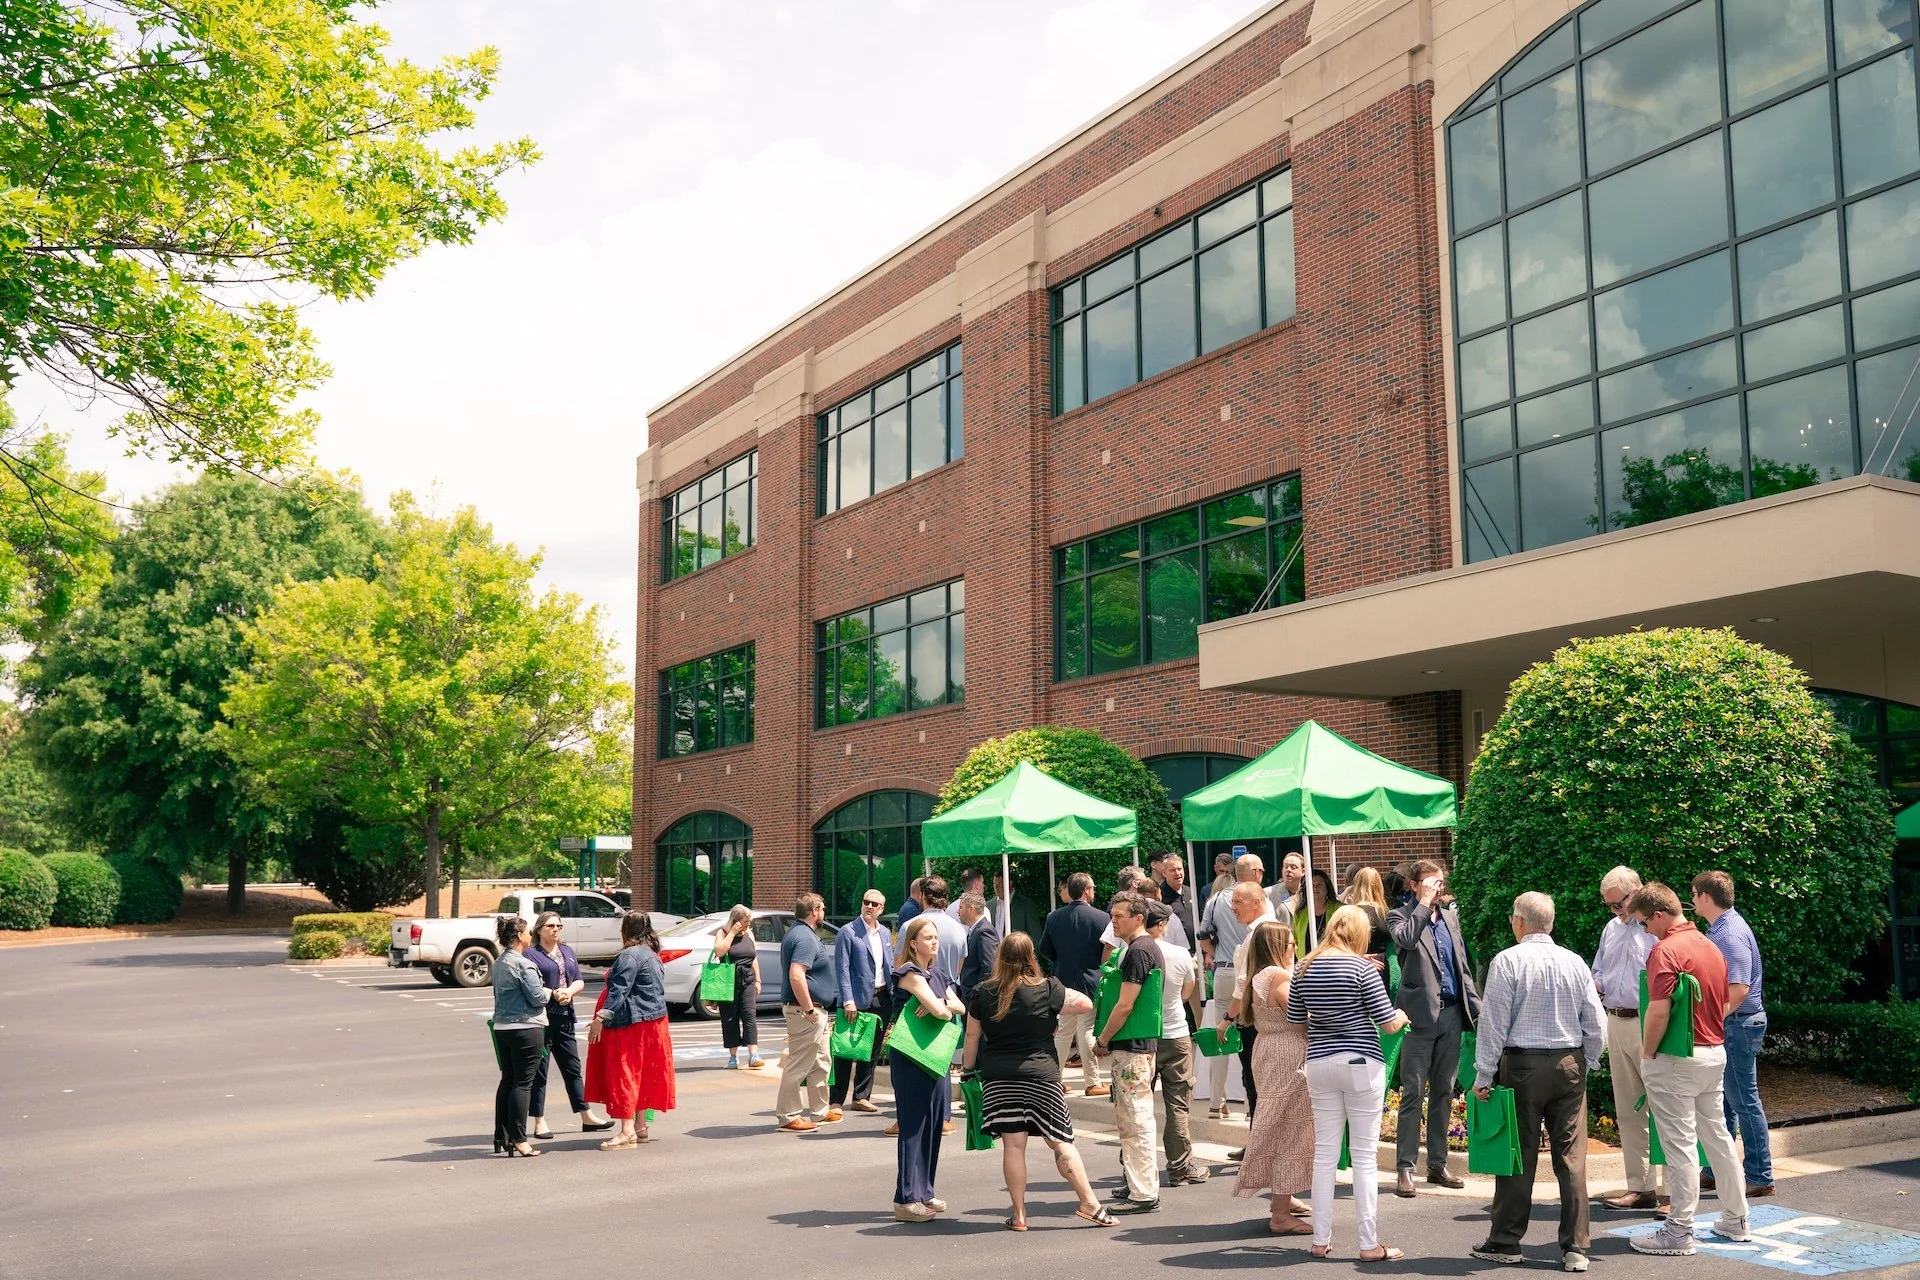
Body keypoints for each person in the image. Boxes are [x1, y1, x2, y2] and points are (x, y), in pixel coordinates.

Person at [1469, 892, 1606, 1272]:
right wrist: (1589, 1060)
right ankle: (1576, 1246)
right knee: (1571, 1159)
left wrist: (1483, 1074)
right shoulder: (1574, 961)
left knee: (1518, 1155)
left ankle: (1505, 1241)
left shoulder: (1507, 961)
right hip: (1569, 1062)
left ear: (1519, 922)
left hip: (1522, 1065)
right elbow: (1596, 1022)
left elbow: (1494, 1023)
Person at [961, 930, 1117, 1230]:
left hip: (999, 1077)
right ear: (1031, 956)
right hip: (1042, 1076)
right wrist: (1056, 1014)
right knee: (1061, 1141)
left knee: (1013, 1147)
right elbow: (1084, 1003)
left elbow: (971, 1035)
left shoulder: (982, 992)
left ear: (1000, 958)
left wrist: (969, 1069)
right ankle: (1089, 1203)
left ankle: (1019, 1215)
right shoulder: (1048, 988)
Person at [1627, 882, 1751, 1257]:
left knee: (1680, 1147)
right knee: (1718, 1139)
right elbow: (1727, 997)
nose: (1645, 929)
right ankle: (1736, 1219)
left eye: (1645, 922)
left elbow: (1659, 1011)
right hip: (1713, 1052)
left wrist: (1647, 1055)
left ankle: (1679, 1231)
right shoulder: (1710, 945)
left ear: (1660, 915)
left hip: (1676, 1058)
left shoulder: (1666, 951)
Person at [1287, 905, 1412, 1262]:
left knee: (1325, 1153)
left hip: (1320, 1063)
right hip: (1360, 1061)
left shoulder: (1304, 967)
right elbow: (1388, 1023)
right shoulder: (1361, 968)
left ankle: (1320, 1240)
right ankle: (1368, 1243)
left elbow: (1297, 1023)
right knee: (1364, 1157)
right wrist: (1402, 1015)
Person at [1387, 858, 1480, 1197]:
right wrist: (1423, 904)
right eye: (1430, 883)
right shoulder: (1399, 916)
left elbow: (1462, 967)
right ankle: (1405, 1168)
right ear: (1413, 885)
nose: (1438, 888)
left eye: (1440, 883)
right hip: (1418, 1017)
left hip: (1452, 1014)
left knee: (1444, 1091)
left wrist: (1477, 1009)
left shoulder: (1452, 919)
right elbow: (1407, 941)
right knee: (1413, 1093)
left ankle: (1437, 1164)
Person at [1692, 870, 1772, 1199]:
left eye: (1694, 895)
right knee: (1724, 1100)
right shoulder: (1723, 928)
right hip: (1737, 1022)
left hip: (1738, 1023)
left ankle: (1760, 1175)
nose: (1693, 901)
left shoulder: (1729, 934)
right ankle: (1715, 1169)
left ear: (1706, 897)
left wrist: (1711, 1017)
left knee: (1742, 1100)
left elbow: (1738, 989)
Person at [1232, 919, 1314, 1234]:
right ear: (1279, 947)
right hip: (1287, 1054)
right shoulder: (1278, 977)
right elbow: (1302, 1016)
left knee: (1281, 1123)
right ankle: (1280, 1214)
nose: (1295, 946)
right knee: (1288, 1129)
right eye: (1291, 942)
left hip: (1269, 1050)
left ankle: (1284, 1197)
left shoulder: (1260, 974)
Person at [1591, 865, 1661, 1209]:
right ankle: (1641, 1186)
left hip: (1649, 1022)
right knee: (1628, 1109)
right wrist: (1598, 985)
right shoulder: (1611, 928)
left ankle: (1673, 1189)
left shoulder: (1655, 928)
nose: (1616, 911)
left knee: (1664, 1106)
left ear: (1637, 891)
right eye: (1610, 905)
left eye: (1619, 903)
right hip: (1616, 1021)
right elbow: (1599, 969)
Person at [889, 915, 967, 1223]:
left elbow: (958, 1006)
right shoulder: (908, 972)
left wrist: (941, 1004)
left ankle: (925, 1191)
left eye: (936, 937)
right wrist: (940, 1005)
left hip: (936, 1055)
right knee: (913, 1125)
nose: (934, 942)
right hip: (911, 1057)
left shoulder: (937, 972)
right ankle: (906, 1199)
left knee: (934, 1123)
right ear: (912, 943)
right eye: (927, 937)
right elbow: (940, 1010)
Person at [1092, 891, 1164, 1213]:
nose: (1113, 920)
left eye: (1119, 915)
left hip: (1132, 1048)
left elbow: (1125, 1005)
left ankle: (1144, 1192)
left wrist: (1102, 1040)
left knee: (1135, 1120)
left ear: (1139, 918)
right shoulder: (1137, 948)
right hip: (1136, 1047)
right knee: (1131, 1119)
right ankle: (1138, 1183)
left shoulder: (1138, 950)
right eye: (1112, 915)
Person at [587, 911, 675, 1148]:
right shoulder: (651, 953)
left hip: (631, 1025)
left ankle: (627, 1130)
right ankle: (640, 1126)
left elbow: (619, 991)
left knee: (625, 1073)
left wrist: (601, 1018)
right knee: (643, 1074)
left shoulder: (629, 955)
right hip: (653, 1022)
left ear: (625, 930)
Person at [526, 912, 614, 1137]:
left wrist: (569, 992)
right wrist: (554, 994)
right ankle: (539, 1121)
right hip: (542, 1019)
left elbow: (578, 980)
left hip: (565, 1016)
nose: (555, 929)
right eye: (550, 926)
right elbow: (531, 984)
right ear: (539, 930)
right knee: (540, 1071)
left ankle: (586, 1115)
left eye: (558, 925)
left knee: (572, 1068)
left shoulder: (566, 951)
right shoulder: (531, 954)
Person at [1199, 862, 1272, 1119]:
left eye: (1238, 904)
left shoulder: (1217, 901)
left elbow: (1203, 935)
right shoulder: (1263, 912)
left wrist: (1211, 954)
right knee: (1249, 1057)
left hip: (1229, 977)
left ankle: (1217, 1102)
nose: (1233, 908)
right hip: (1242, 983)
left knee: (1237, 1050)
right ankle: (1246, 1110)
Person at [1145, 899, 1208, 1186]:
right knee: (1178, 1103)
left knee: (1137, 1105)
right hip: (1176, 1034)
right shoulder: (1181, 954)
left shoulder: (1126, 953)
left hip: (1142, 1037)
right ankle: (1181, 1166)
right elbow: (1188, 989)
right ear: (1161, 925)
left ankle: (1136, 1166)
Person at [1039, 871, 1110, 1097]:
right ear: (1087, 891)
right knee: (1086, 1030)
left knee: (1063, 1032)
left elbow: (1044, 949)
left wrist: (1061, 962)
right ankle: (1093, 1081)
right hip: (1091, 980)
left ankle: (1053, 1081)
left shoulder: (1054, 917)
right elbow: (1107, 950)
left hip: (1063, 980)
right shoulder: (1102, 918)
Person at [489, 914, 550, 1157]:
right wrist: (550, 993)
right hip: (526, 1027)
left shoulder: (500, 962)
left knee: (508, 1080)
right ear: (518, 936)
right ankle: (519, 1138)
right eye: (527, 932)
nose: (530, 935)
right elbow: (537, 997)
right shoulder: (523, 963)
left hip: (503, 1027)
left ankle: (501, 1135)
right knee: (523, 1084)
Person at [775, 893, 836, 1132]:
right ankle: (788, 1116)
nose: (824, 913)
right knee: (799, 1063)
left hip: (810, 1010)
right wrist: (810, 1009)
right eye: (823, 908)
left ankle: (819, 1111)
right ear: (814, 910)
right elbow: (797, 974)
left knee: (821, 1061)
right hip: (805, 1011)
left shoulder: (799, 933)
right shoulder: (805, 937)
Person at [1223, 880, 1277, 1147]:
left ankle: (1259, 1145)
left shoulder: (1260, 932)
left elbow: (1243, 984)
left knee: (1255, 1084)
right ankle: (1259, 1141)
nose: (1233, 908)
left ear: (1257, 901)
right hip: (1265, 1019)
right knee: (1259, 1084)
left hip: (1254, 1020)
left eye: (1238, 902)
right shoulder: (1269, 929)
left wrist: (1226, 1019)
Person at [831, 889, 894, 1116]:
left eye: (874, 904)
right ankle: (836, 1099)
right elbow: (842, 969)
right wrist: (848, 1000)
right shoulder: (848, 932)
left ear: (881, 909)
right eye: (866, 902)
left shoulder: (885, 933)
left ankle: (861, 1096)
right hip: (855, 1000)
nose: (869, 906)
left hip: (881, 997)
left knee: (873, 1049)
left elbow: (889, 965)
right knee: (846, 1050)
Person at [709, 906, 764, 1071]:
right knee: (730, 1018)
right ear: (736, 920)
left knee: (749, 1015)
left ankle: (753, 1055)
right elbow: (719, 951)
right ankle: (733, 1057)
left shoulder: (749, 934)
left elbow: (753, 958)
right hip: (728, 980)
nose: (748, 925)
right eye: (745, 921)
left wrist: (758, 980)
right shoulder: (723, 933)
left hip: (747, 978)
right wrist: (732, 933)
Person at [1102, 866, 1188, 957]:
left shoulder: (1125, 913)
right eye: (1143, 880)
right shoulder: (1171, 916)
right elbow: (1183, 946)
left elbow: (1109, 947)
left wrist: (1107, 970)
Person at [920, 876, 969, 985]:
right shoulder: (959, 929)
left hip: (918, 994)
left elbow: (900, 965)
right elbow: (959, 968)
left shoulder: (910, 926)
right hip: (949, 990)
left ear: (923, 895)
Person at [1345, 867, 1392, 976]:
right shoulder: (1386, 912)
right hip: (1383, 964)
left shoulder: (1353, 913)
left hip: (1358, 964)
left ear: (1356, 885)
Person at [956, 892, 1002, 1000]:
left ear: (971, 909)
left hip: (976, 999)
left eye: (961, 908)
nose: (958, 911)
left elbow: (989, 967)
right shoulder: (975, 930)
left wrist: (977, 994)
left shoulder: (984, 931)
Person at [1289, 868, 1339, 957]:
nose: (1315, 888)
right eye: (1312, 885)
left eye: (1319, 885)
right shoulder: (1300, 913)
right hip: (1306, 964)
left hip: (1332, 961)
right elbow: (1295, 941)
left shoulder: (1339, 909)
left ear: (1327, 888)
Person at [988, 868, 1044, 940]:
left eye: (1000, 884)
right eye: (994, 884)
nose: (996, 887)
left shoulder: (1026, 904)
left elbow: (1035, 934)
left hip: (1017, 950)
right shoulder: (989, 906)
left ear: (1009, 883)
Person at [1268, 850, 1306, 921]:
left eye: (1293, 867)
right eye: (1286, 867)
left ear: (1303, 872)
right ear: (1282, 870)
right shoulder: (1269, 893)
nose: (1288, 870)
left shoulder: (1309, 893)